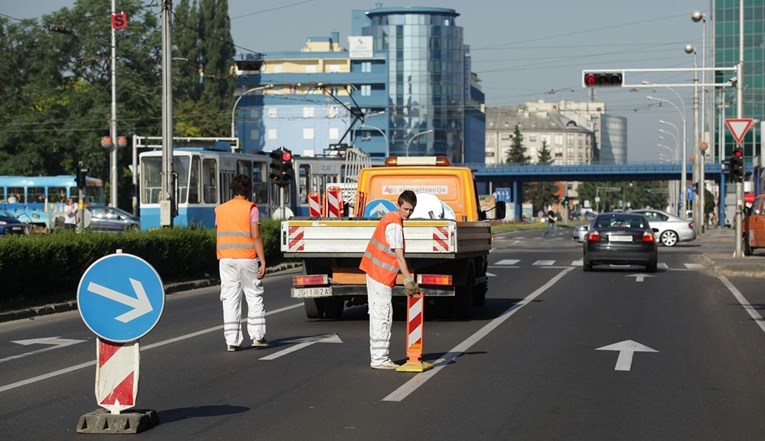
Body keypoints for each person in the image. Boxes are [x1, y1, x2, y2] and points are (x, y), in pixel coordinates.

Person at [359, 190, 419, 370]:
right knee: (382, 316)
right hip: (380, 276)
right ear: (398, 205)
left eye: (411, 210)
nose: (407, 213)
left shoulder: (391, 219)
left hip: (377, 274)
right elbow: (399, 256)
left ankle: (379, 356)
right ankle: (379, 358)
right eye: (405, 208)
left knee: (380, 315)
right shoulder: (394, 225)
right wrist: (408, 279)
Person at [214, 174, 268, 352]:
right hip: (247, 257)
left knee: (230, 298)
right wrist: (263, 261)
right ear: (248, 190)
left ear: (232, 190)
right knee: (253, 295)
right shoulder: (251, 208)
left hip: (226, 259)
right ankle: (257, 337)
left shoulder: (220, 209)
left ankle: (232, 341)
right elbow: (256, 235)